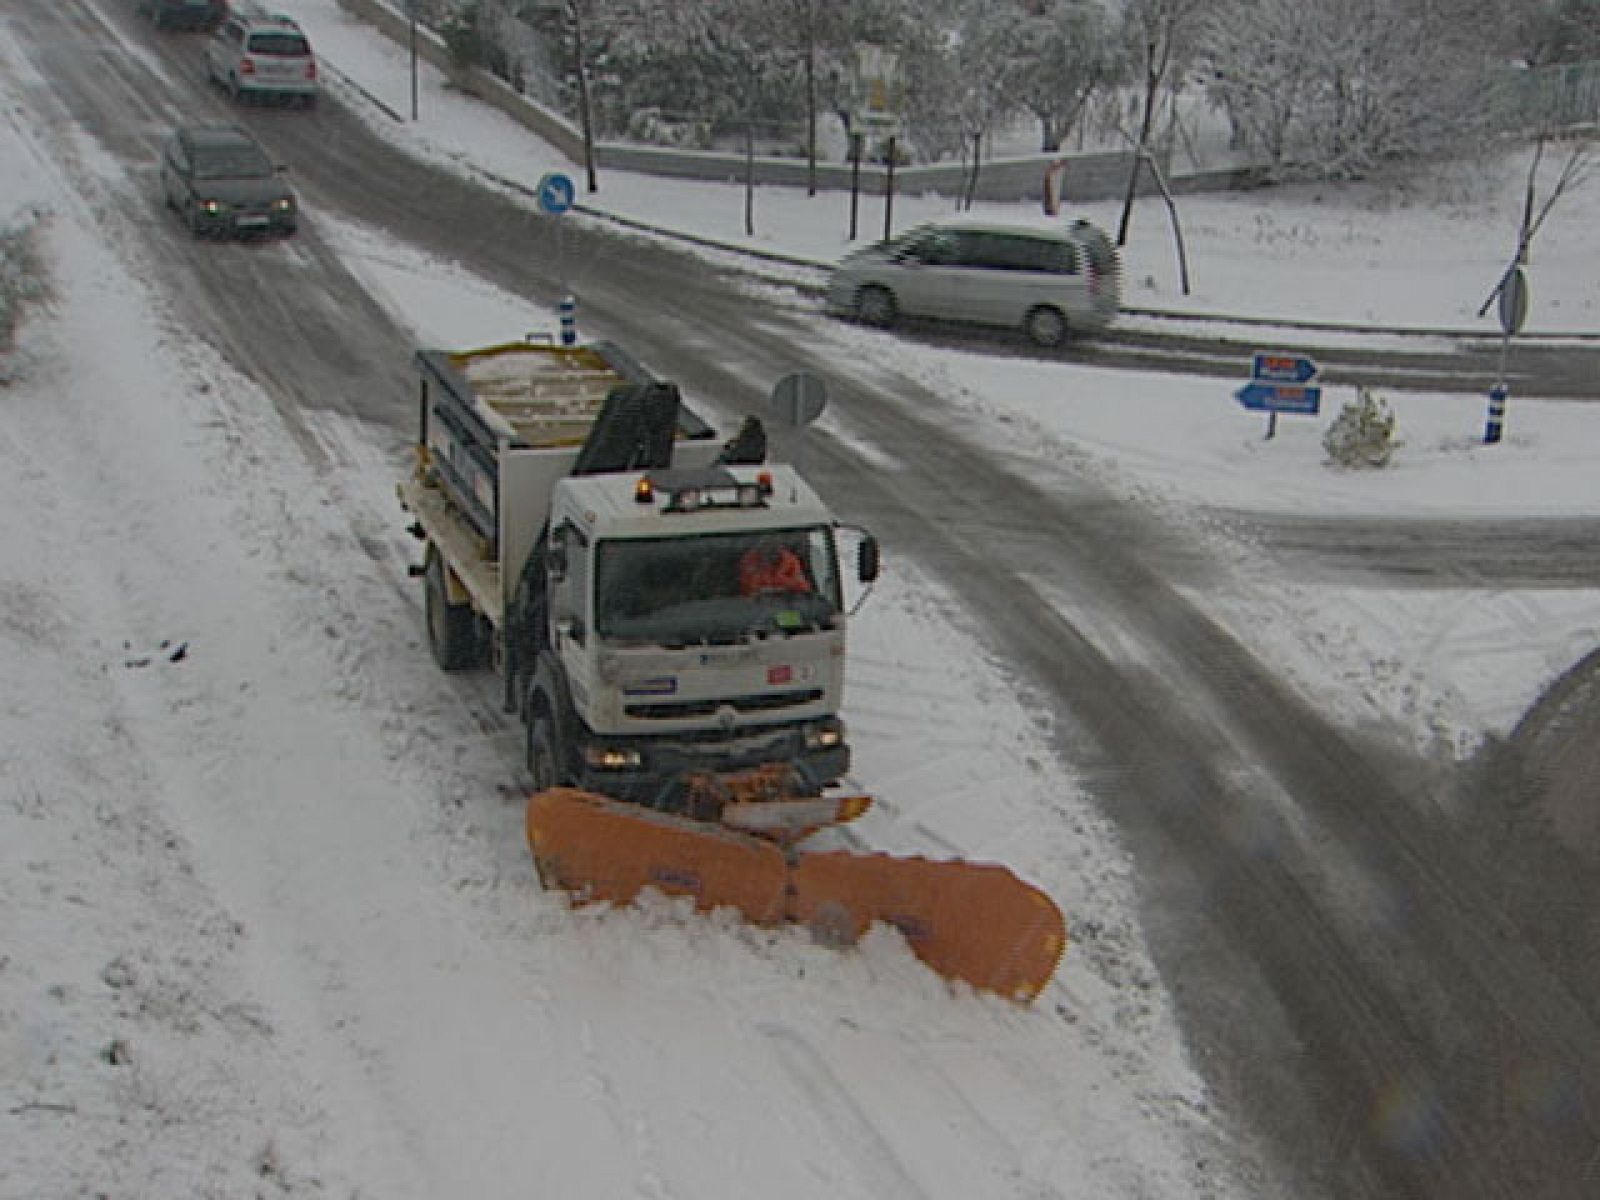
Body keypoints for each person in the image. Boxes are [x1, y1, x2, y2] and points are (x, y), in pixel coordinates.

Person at [739, 540, 810, 596]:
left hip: (786, 604)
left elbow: (804, 590)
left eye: (774, 550)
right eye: (766, 547)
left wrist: (782, 588)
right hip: (758, 606)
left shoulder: (791, 561)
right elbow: (748, 592)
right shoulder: (750, 561)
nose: (771, 554)